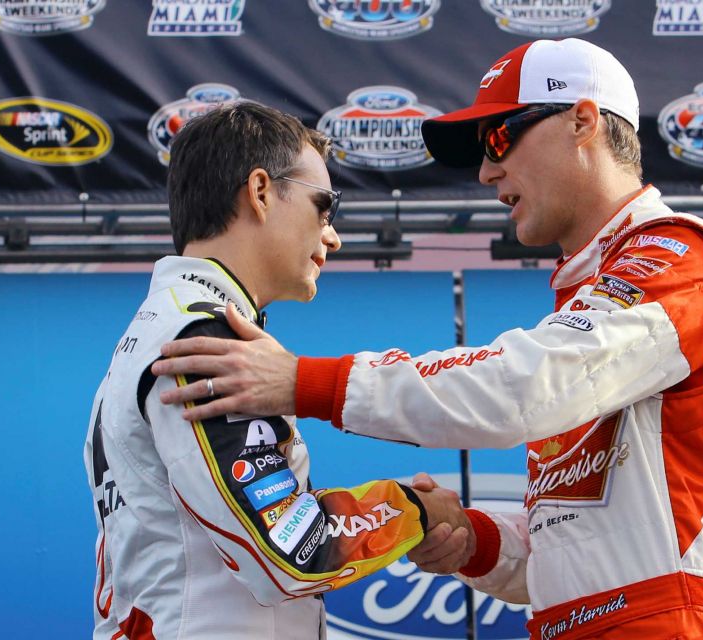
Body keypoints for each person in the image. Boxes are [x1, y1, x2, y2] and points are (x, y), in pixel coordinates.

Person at [151, 39, 703, 639]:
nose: (485, 171)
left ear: (584, 121)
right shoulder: (591, 297)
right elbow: (575, 553)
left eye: (499, 137)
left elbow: (525, 387)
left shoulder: (680, 255)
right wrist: (468, 539)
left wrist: (305, 382)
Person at [84, 101, 471, 640]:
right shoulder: (201, 340)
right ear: (261, 192)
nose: (333, 236)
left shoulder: (166, 330)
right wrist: (415, 510)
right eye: (326, 206)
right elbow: (293, 553)